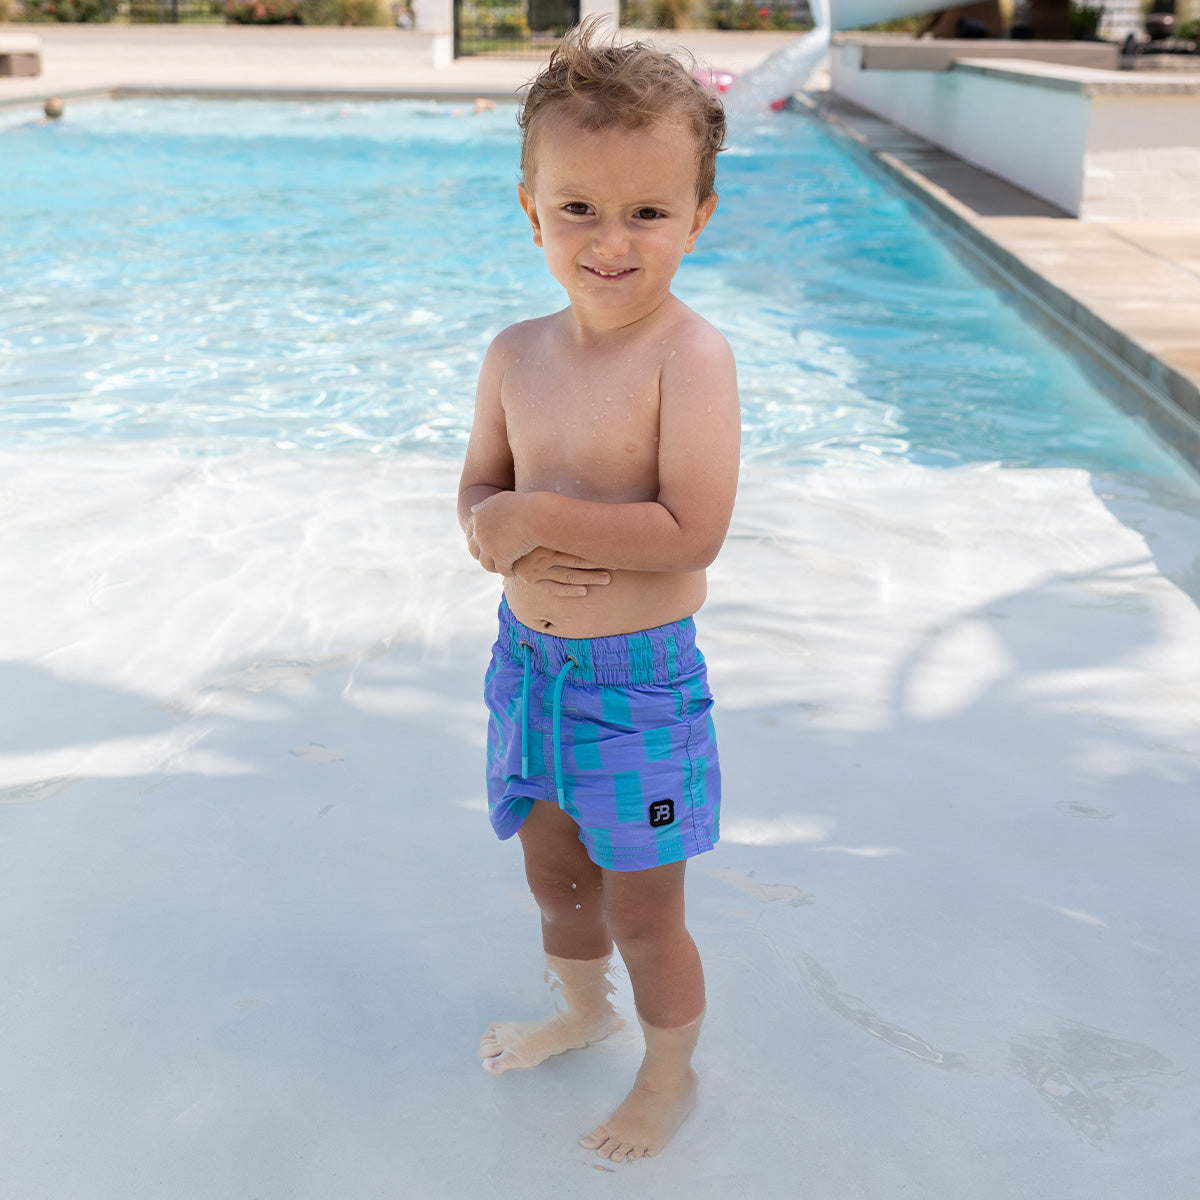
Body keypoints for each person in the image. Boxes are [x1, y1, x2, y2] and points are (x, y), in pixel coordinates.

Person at [457, 21, 740, 1164]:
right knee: (554, 876)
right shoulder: (514, 353)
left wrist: (532, 519)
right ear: (532, 211)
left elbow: (691, 531)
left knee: (642, 909)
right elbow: (481, 493)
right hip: (528, 667)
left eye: (648, 212)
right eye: (579, 207)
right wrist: (492, 528)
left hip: (636, 690)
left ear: (698, 219)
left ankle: (670, 1078)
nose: (610, 241)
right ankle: (582, 1013)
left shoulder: (689, 356)